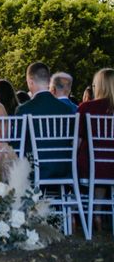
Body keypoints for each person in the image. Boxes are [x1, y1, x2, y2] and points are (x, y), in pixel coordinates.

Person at [16, 62, 74, 180]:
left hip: (36, 168)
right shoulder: (67, 109)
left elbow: (17, 144)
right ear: (48, 81)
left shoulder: (24, 109)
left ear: (30, 82)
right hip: (64, 167)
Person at [77, 68, 114, 232]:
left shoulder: (86, 107)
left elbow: (77, 141)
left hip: (91, 165)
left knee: (95, 162)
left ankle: (95, 214)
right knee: (105, 164)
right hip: (111, 163)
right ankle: (99, 214)